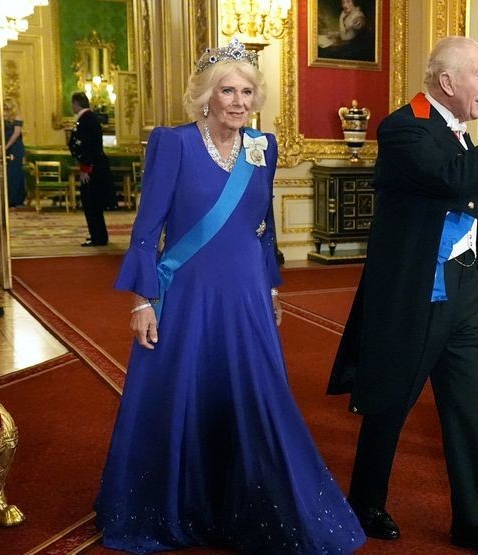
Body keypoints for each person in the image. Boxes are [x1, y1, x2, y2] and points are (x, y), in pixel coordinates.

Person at [94, 39, 365, 554]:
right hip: (189, 289)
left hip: (245, 291)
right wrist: (143, 299)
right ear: (205, 97)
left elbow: (263, 228)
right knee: (182, 394)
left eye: (246, 91)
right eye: (227, 91)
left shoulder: (263, 145)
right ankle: (178, 504)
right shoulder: (172, 142)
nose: (238, 101)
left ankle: (255, 503)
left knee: (255, 392)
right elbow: (148, 231)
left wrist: (269, 288)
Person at [328, 36, 478, 554]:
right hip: (414, 295)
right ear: (447, 83)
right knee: (390, 403)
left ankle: (471, 521)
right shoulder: (404, 128)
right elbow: (455, 180)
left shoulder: (463, 135)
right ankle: (366, 501)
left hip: (464, 294)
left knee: (466, 409)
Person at [68, 92, 114, 247]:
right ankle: (96, 235)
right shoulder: (87, 118)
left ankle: (98, 236)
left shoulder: (87, 119)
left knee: (91, 203)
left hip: (92, 169)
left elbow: (89, 146)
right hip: (92, 166)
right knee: (91, 203)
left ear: (76, 104)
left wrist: (85, 168)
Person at [2, 98, 26, 208]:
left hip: (15, 148)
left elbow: (16, 134)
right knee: (8, 174)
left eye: (6, 107)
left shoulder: (17, 117)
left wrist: (6, 147)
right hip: (6, 147)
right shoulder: (4, 118)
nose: (5, 109)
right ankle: (8, 199)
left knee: (15, 174)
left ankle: (16, 199)